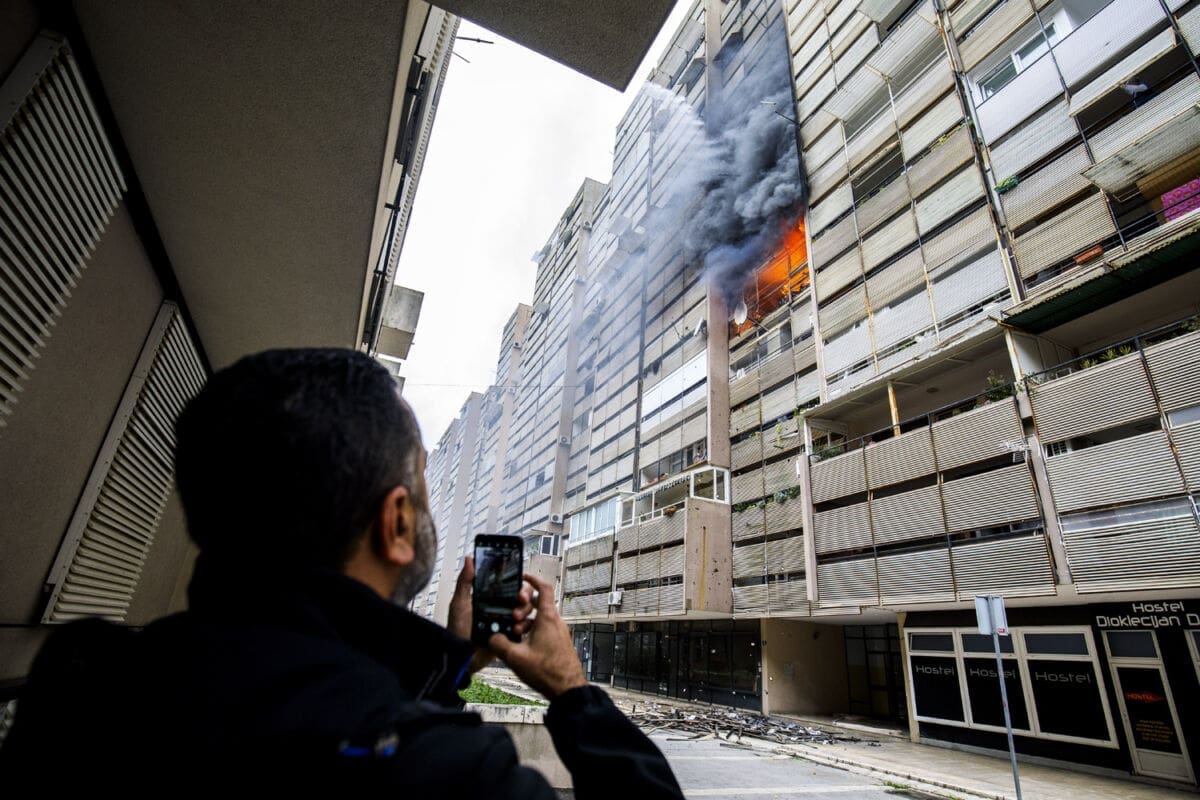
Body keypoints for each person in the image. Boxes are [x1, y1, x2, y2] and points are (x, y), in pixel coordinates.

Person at [0, 349, 683, 798]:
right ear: (395, 523)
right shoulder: (453, 773)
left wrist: (451, 664)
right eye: (420, 480)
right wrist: (572, 693)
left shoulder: (83, 683)